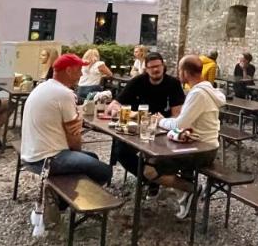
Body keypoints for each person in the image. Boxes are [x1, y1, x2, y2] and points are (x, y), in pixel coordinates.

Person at [114, 55, 224, 220]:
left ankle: (191, 189)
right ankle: (184, 193)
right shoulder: (205, 89)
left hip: (201, 150)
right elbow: (185, 123)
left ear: (185, 72)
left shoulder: (198, 94)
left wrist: (160, 120)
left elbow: (178, 124)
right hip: (200, 144)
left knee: (150, 170)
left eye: (180, 70)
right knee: (143, 155)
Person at [19, 54, 112, 221]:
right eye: (78, 70)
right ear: (68, 71)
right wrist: (77, 151)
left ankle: (61, 198)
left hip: (30, 153)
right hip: (47, 159)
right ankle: (69, 201)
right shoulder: (64, 93)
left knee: (93, 158)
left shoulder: (44, 87)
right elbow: (74, 136)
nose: (81, 74)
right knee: (104, 171)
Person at [111, 52, 186, 166]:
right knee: (121, 152)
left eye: (158, 66)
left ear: (163, 66)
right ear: (146, 69)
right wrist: (126, 113)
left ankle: (156, 176)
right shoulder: (137, 81)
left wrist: (162, 123)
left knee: (180, 155)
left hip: (162, 131)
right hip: (136, 129)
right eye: (151, 67)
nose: (155, 70)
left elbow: (177, 114)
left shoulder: (173, 83)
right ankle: (148, 177)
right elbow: (114, 105)